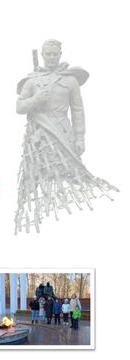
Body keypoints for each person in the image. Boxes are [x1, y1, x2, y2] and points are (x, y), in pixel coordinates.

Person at [15, 39, 118, 234]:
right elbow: (19, 107)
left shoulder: (70, 80)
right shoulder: (32, 80)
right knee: (38, 177)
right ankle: (40, 216)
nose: (52, 57)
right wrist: (36, 99)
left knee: (69, 173)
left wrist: (80, 137)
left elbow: (78, 110)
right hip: (38, 137)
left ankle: (71, 221)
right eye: (48, 54)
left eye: (55, 54)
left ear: (60, 54)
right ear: (43, 55)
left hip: (62, 133)